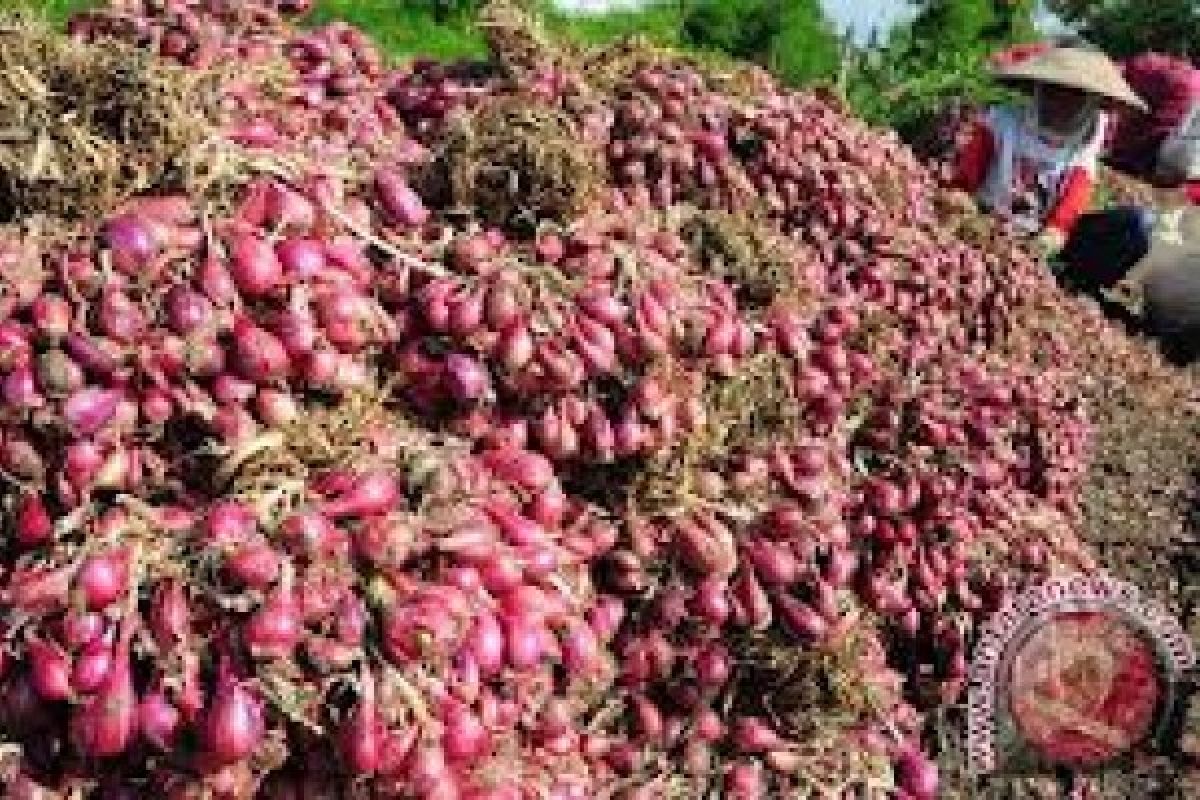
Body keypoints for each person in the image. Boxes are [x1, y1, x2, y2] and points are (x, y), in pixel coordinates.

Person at [953, 40, 1152, 287]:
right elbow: (964, 180)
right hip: (986, 222)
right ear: (1039, 89)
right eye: (1054, 91)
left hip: (1043, 240)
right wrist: (963, 206)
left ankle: (1069, 280)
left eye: (1075, 96)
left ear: (1090, 103)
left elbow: (1072, 202)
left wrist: (1054, 233)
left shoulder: (1085, 145)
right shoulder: (1001, 123)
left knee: (1135, 224)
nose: (1061, 103)